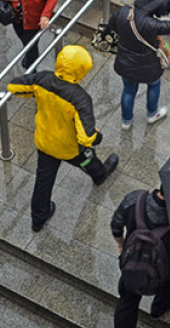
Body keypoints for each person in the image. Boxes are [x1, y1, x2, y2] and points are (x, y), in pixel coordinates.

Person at [8, 45, 119, 232]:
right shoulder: (80, 98)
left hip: (45, 141)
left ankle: (38, 218)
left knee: (43, 181)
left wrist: (35, 94)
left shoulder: (43, 78)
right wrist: (97, 136)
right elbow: (86, 137)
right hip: (70, 148)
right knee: (88, 161)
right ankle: (99, 175)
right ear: (81, 70)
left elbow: (14, 87)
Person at [111, 186, 170, 328]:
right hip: (163, 269)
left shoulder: (135, 199)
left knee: (127, 301)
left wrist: (121, 244)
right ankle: (160, 307)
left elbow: (116, 225)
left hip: (132, 265)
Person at [110, 0, 170, 130]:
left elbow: (112, 27)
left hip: (125, 62)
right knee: (154, 85)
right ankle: (152, 114)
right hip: (148, 65)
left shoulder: (123, 11)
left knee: (129, 90)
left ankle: (126, 121)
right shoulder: (152, 24)